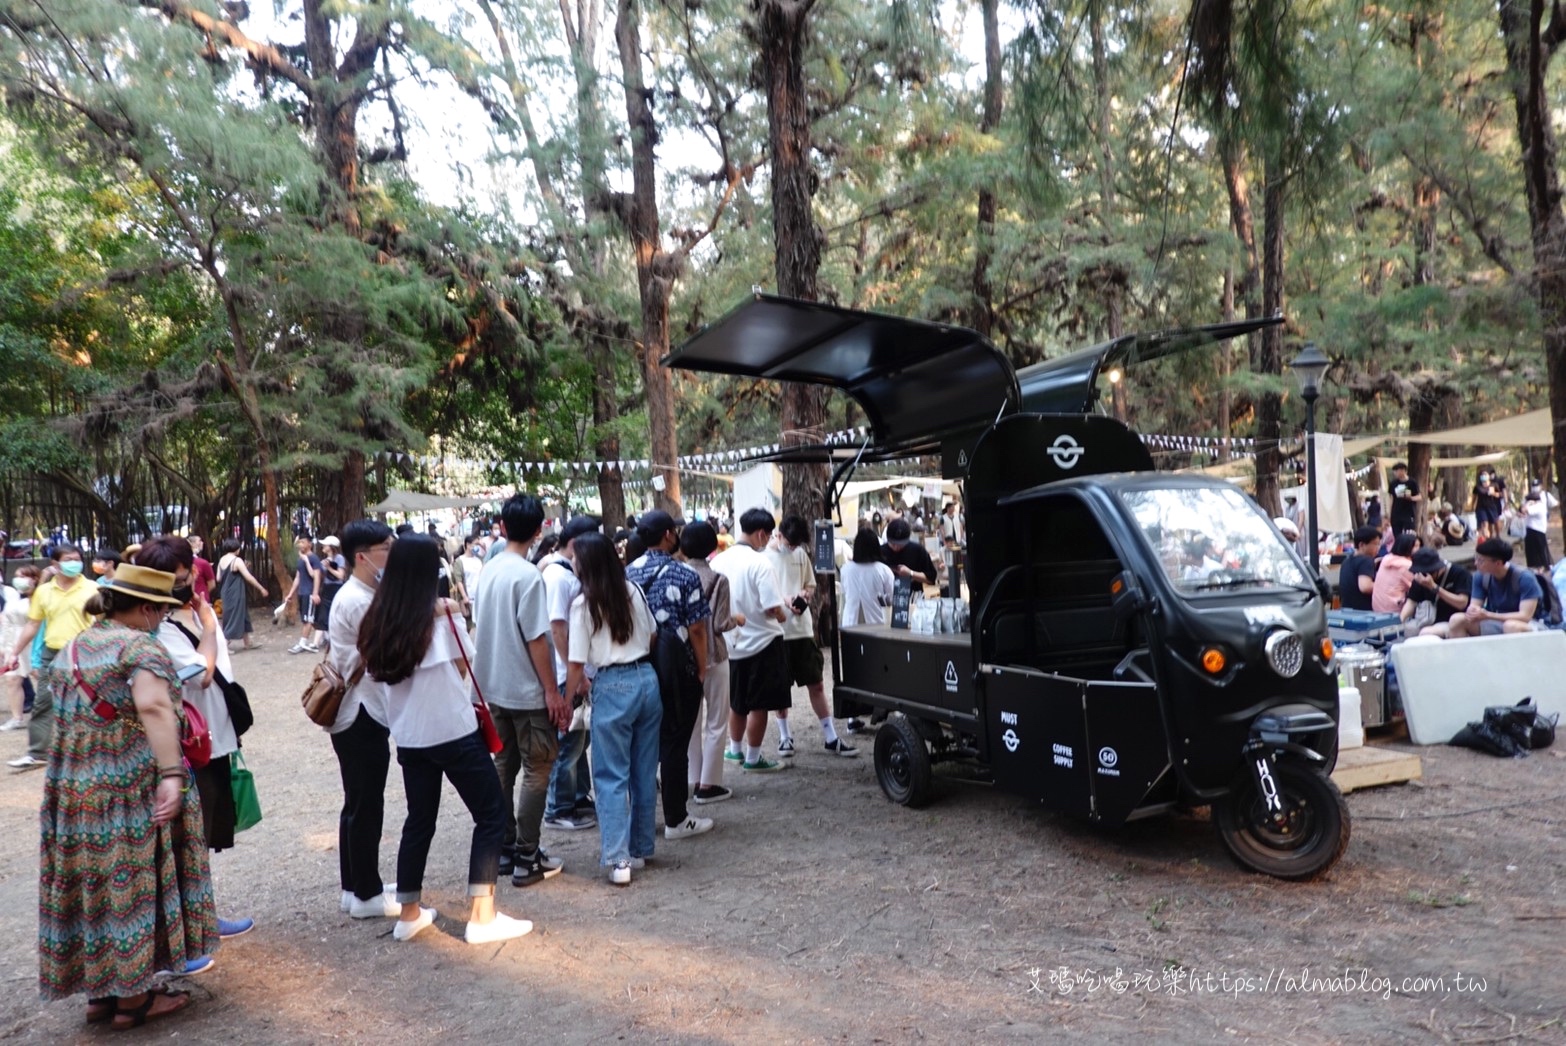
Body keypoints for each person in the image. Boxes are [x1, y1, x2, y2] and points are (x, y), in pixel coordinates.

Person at [38, 564, 218, 1030]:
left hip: (73, 788)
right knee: (130, 884)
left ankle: (102, 993)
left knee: (92, 885)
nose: (161, 618)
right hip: (125, 783)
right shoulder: (140, 646)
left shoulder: (76, 645)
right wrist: (173, 774)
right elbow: (154, 706)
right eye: (160, 610)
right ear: (144, 608)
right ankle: (134, 1000)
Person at [358, 536, 533, 944]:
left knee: (419, 821)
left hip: (410, 739)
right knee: (491, 813)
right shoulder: (443, 617)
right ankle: (483, 916)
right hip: (455, 732)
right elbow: (461, 666)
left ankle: (409, 913)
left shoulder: (376, 621)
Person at [136, 537, 254, 941]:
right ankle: (192, 926)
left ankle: (201, 919)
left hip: (211, 738)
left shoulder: (179, 617)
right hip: (188, 746)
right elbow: (201, 673)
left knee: (200, 837)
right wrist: (207, 626)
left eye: (183, 577)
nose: (178, 587)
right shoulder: (158, 627)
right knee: (190, 838)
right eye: (171, 580)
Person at [471, 494, 570, 888]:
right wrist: (552, 691)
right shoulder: (528, 576)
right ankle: (528, 855)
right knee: (538, 768)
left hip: (493, 688)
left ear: (502, 525)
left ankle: (509, 847)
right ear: (538, 530)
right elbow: (536, 640)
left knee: (503, 767)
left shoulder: (490, 569)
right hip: (526, 690)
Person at [565, 532, 662, 885]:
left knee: (609, 776)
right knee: (643, 770)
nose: (572, 563)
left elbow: (576, 664)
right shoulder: (632, 591)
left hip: (612, 684)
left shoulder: (583, 605)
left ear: (586, 563)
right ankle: (639, 849)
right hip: (647, 680)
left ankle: (618, 859)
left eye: (575, 558)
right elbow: (652, 634)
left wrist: (566, 700)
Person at [325, 519, 401, 919]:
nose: (391, 554)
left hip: (359, 712)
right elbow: (387, 652)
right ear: (362, 557)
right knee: (365, 803)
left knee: (356, 802)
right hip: (360, 713)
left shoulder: (360, 594)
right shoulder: (357, 600)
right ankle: (367, 894)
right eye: (385, 548)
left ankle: (355, 885)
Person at [625, 510, 714, 839]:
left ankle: (643, 818)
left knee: (642, 743)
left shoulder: (627, 573)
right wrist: (702, 667)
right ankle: (677, 819)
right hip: (678, 670)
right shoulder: (684, 574)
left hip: (637, 665)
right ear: (667, 534)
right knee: (675, 743)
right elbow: (697, 629)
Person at [765, 514, 856, 758]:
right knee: (781, 689)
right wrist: (783, 600)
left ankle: (830, 736)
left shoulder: (800, 555)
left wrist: (805, 594)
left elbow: (811, 584)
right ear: (779, 535)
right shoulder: (764, 557)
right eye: (790, 543)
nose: (792, 548)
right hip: (777, 631)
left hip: (802, 630)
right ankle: (785, 736)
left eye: (796, 545)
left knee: (816, 683)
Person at [713, 509, 791, 774]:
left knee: (737, 701)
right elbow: (772, 607)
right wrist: (783, 613)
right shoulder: (761, 563)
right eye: (768, 535)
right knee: (758, 704)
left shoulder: (719, 561)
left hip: (730, 642)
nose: (767, 540)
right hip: (762, 642)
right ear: (761, 534)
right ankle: (754, 757)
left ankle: (734, 750)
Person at [4, 545, 96, 770]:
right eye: (68, 559)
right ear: (55, 565)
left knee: (87, 703)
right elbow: (33, 624)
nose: (74, 562)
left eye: (77, 559)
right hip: (52, 654)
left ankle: (89, 752)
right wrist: (15, 652)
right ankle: (37, 753)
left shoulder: (92, 588)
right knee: (44, 702)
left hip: (86, 652)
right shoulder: (44, 592)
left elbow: (104, 622)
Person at [541, 516, 602, 832]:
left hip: (575, 671)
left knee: (579, 738)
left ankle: (578, 797)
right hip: (569, 673)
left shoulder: (565, 572)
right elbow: (557, 627)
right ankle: (558, 807)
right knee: (569, 742)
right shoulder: (557, 576)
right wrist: (574, 673)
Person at [679, 522, 739, 805]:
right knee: (716, 721)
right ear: (713, 547)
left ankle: (692, 777)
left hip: (685, 658)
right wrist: (738, 619)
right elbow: (720, 623)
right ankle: (709, 784)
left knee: (690, 721)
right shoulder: (718, 580)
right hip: (714, 656)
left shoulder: (675, 576)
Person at [1447, 537, 1543, 637]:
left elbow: (1525, 616)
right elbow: (1474, 605)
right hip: (1496, 621)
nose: (1476, 564)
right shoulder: (1480, 576)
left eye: (1481, 561)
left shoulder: (1524, 578)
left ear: (1498, 563)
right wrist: (1473, 611)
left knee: (1510, 626)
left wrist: (1488, 615)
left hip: (1528, 624)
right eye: (1476, 558)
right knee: (1457, 620)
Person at [1399, 547, 1472, 638]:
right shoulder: (1419, 577)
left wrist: (1434, 587)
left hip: (1452, 622)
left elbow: (1462, 603)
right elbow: (1411, 602)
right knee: (1408, 631)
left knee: (1425, 633)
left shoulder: (1460, 573)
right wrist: (1400, 622)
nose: (1421, 575)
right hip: (1426, 620)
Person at [1, 566, 40, 730]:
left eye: (23, 576)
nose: (19, 580)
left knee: (41, 677)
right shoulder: (12, 597)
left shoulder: (42, 598)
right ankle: (17, 718)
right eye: (17, 576)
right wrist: (3, 645)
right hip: (13, 641)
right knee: (12, 679)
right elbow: (6, 624)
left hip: (34, 641)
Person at [214, 540, 269, 653]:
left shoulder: (222, 560)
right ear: (236, 549)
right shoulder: (237, 560)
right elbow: (248, 577)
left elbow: (218, 578)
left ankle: (247, 642)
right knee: (234, 617)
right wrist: (261, 588)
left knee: (242, 615)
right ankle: (224, 645)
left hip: (225, 592)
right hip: (236, 593)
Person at [841, 527, 896, 628]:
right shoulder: (883, 570)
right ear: (876, 547)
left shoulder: (845, 569)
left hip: (849, 623)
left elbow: (845, 593)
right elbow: (892, 597)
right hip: (877, 623)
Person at [283, 537, 323, 654]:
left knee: (308, 619)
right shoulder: (301, 559)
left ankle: (302, 643)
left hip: (309, 592)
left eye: (303, 542)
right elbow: (297, 577)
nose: (300, 544)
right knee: (307, 619)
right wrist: (290, 593)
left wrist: (315, 593)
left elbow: (316, 576)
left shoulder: (313, 558)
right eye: (299, 542)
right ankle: (323, 638)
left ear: (309, 544)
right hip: (302, 592)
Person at [880, 517, 938, 587]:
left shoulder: (918, 550)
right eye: (893, 544)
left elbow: (931, 579)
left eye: (900, 544)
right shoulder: (880, 552)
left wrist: (911, 573)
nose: (896, 547)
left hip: (913, 594)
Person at [1371, 532, 1419, 614]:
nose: (1419, 549)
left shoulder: (1387, 558)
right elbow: (1418, 587)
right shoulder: (1406, 566)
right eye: (1416, 546)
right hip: (1394, 610)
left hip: (1376, 607)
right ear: (1406, 547)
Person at [312, 535, 346, 650]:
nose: (323, 546)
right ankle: (315, 643)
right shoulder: (324, 560)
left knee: (336, 614)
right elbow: (319, 576)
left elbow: (340, 576)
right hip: (326, 589)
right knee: (323, 614)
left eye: (325, 545)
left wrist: (329, 568)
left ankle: (335, 640)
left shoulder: (339, 558)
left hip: (336, 589)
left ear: (331, 547)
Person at [1337, 526, 1380, 612]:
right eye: (1375, 544)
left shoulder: (1346, 561)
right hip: (1363, 612)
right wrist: (1384, 587)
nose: (1378, 547)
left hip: (1347, 610)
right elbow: (1365, 587)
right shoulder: (1366, 560)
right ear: (1362, 545)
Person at [451, 534, 485, 626]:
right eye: (475, 544)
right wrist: (464, 596)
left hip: (479, 597)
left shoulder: (479, 560)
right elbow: (459, 581)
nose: (477, 547)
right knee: (468, 625)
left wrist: (483, 547)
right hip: (468, 599)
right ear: (468, 545)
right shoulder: (460, 561)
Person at [1523, 483, 1557, 569]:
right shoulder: (1535, 506)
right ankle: (1536, 568)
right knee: (1532, 554)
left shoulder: (1538, 507)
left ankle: (1546, 567)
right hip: (1530, 531)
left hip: (1537, 531)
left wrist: (1528, 504)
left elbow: (1524, 510)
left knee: (1541, 553)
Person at [1474, 468, 1506, 541]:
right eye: (1482, 475)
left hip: (1492, 507)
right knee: (1485, 523)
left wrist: (1494, 493)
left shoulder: (1494, 485)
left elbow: (1500, 494)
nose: (1484, 476)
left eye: (1485, 475)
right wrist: (1472, 507)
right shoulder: (1477, 487)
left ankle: (1497, 537)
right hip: (1481, 507)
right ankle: (1487, 539)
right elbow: (1474, 497)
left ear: (1488, 476)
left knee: (1494, 523)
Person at [189, 535, 217, 603]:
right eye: (199, 541)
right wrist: (204, 592)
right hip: (201, 600)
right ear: (192, 544)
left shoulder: (180, 561)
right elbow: (212, 584)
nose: (202, 543)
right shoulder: (202, 563)